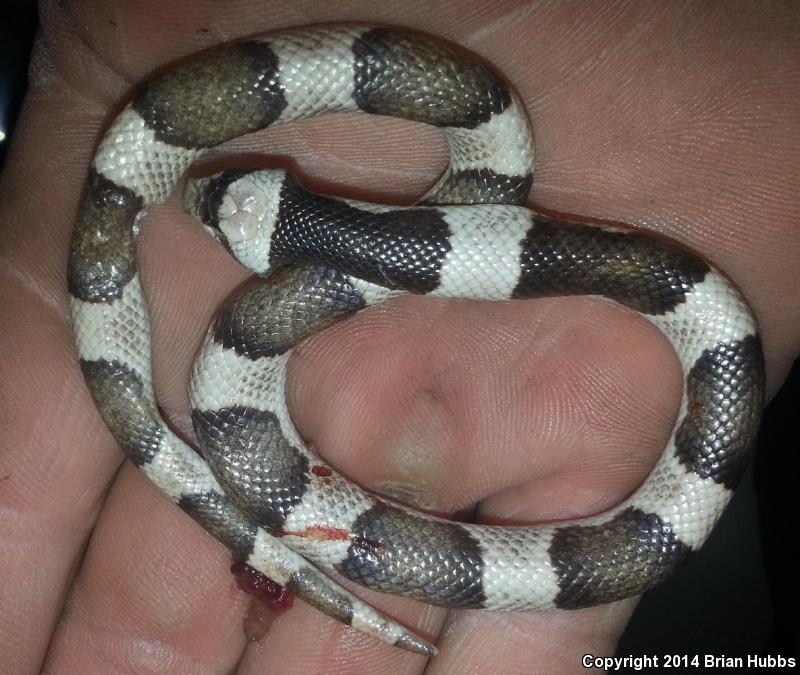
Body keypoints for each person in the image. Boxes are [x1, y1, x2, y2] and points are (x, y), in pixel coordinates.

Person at [1, 1, 797, 672]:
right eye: (216, 209)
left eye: (217, 208)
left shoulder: (491, 140)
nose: (198, 196)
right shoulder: (492, 142)